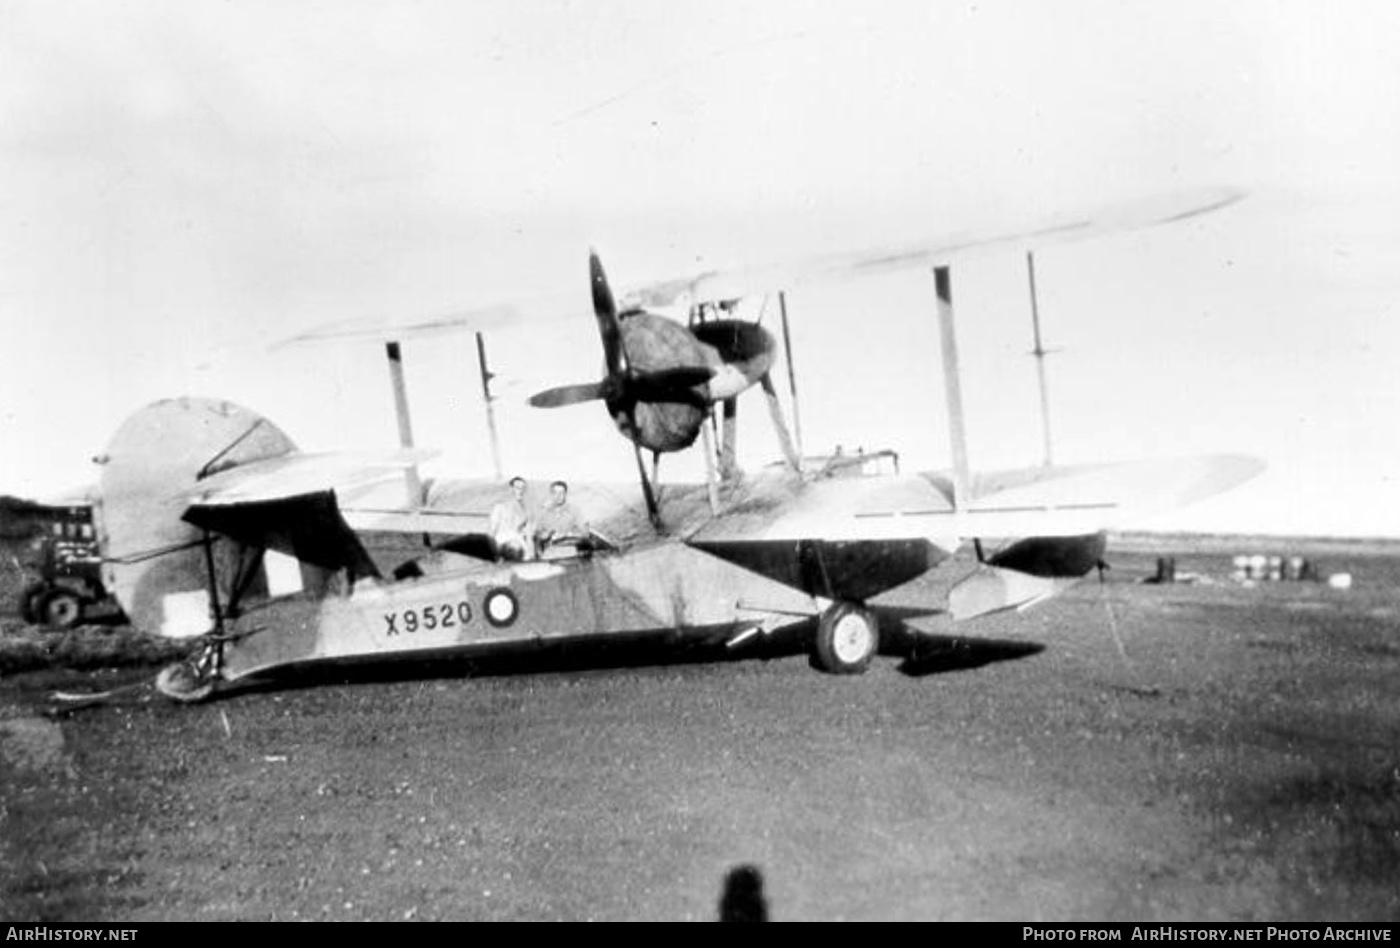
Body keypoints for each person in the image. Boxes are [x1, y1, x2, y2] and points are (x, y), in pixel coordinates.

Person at [535, 480, 589, 556]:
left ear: (565, 494)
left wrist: (568, 535)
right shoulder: (543, 512)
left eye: (561, 493)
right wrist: (545, 535)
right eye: (555, 493)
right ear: (551, 494)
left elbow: (585, 534)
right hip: (549, 554)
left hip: (570, 553)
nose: (558, 496)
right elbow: (537, 534)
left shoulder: (575, 510)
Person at [489, 476, 536, 561]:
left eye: (523, 488)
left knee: (522, 550)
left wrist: (532, 555)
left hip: (517, 542)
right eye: (518, 488)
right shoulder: (500, 507)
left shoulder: (526, 511)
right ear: (511, 489)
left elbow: (529, 535)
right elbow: (492, 530)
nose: (521, 491)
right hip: (502, 541)